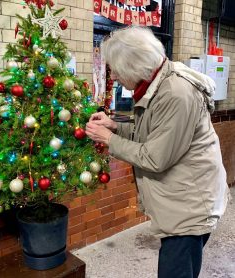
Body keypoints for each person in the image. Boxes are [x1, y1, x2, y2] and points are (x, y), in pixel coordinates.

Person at [85, 26, 229, 278]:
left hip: (190, 207)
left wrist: (108, 138)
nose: (115, 77)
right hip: (181, 201)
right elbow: (154, 134)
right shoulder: (156, 85)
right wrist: (115, 127)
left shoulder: (175, 93)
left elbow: (155, 157)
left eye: (116, 70)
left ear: (134, 66)